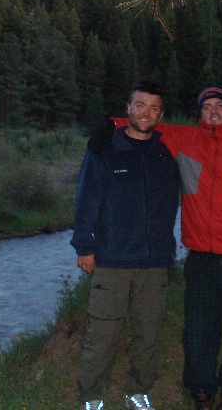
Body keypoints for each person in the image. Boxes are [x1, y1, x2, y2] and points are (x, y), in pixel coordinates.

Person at [105, 85, 222, 410]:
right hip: (202, 259)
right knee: (199, 333)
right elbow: (141, 121)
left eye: (221, 105)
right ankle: (202, 393)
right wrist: (106, 127)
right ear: (200, 113)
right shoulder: (184, 140)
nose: (214, 111)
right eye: (207, 107)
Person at [72, 81, 181, 410]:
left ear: (161, 114)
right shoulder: (104, 149)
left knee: (148, 332)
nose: (145, 112)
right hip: (112, 260)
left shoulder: (167, 153)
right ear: (128, 109)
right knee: (102, 335)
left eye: (153, 108)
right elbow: (86, 200)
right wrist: (84, 246)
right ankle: (91, 396)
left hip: (155, 262)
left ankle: (138, 390)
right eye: (140, 105)